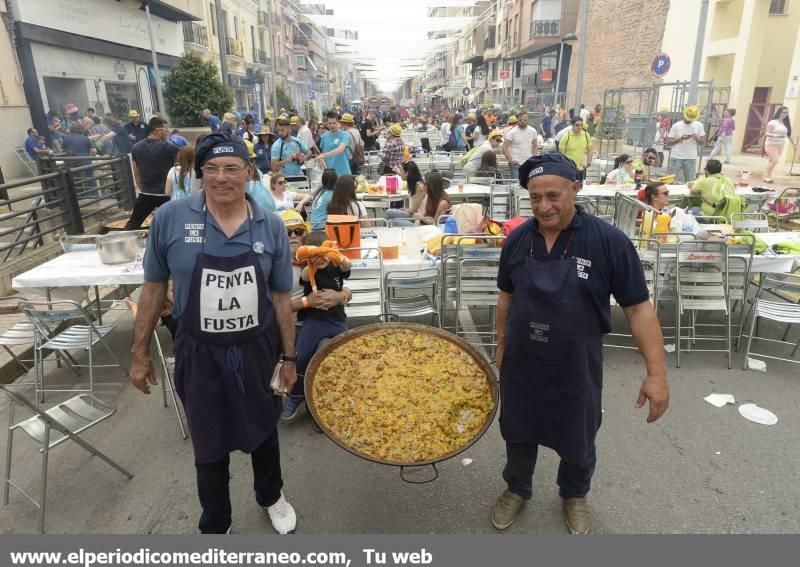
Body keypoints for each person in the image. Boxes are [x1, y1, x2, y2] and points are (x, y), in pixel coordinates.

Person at [491, 152, 669, 535]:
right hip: (522, 363)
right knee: (518, 430)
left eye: (553, 195)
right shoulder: (518, 240)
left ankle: (574, 494)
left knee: (578, 433)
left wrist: (657, 374)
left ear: (576, 188)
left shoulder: (609, 242)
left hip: (576, 363)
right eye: (535, 197)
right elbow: (506, 297)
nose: (543, 206)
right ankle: (516, 488)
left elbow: (638, 309)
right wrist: (501, 344)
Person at [130, 132, 298, 535]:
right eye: (211, 169)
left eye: (231, 168)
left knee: (263, 430)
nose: (221, 177)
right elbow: (153, 290)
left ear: (248, 172)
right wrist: (139, 353)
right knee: (208, 440)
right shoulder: (171, 219)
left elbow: (281, 299)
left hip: (257, 348)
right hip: (199, 351)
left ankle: (271, 496)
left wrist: (290, 359)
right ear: (199, 173)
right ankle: (216, 520)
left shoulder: (269, 225)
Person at [282, 230, 352, 421]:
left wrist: (335, 256)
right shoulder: (303, 269)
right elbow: (304, 276)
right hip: (313, 321)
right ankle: (296, 396)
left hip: (337, 319)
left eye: (298, 232)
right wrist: (311, 260)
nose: (320, 260)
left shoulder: (336, 265)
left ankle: (342, 398)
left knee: (346, 354)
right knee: (301, 356)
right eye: (314, 256)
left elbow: (347, 269)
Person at [124, 116, 180, 229]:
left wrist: (143, 188)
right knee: (175, 225)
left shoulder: (136, 147)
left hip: (146, 194)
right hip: (166, 195)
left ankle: (125, 245)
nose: (167, 133)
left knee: (132, 224)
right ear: (158, 130)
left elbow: (136, 172)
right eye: (166, 130)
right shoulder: (170, 148)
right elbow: (180, 168)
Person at [384, 170, 451, 226]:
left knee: (394, 222)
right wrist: (418, 217)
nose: (422, 185)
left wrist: (420, 218)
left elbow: (436, 224)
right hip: (421, 220)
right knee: (389, 213)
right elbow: (424, 211)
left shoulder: (442, 203)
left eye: (425, 183)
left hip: (428, 227)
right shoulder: (431, 194)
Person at [666, 105, 705, 184]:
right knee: (671, 181)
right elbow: (668, 142)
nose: (689, 120)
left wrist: (696, 138)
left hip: (691, 157)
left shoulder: (699, 125)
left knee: (690, 182)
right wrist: (679, 139)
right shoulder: (676, 126)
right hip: (676, 156)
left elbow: (703, 141)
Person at [764, 106, 796, 183]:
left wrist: (794, 143)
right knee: (775, 160)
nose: (786, 114)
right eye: (784, 112)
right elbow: (766, 133)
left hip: (780, 145)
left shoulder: (786, 123)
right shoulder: (772, 122)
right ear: (779, 113)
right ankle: (765, 176)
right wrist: (775, 135)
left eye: (787, 112)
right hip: (771, 144)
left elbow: (789, 135)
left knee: (772, 160)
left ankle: (768, 176)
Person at [503, 112, 539, 180]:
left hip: (528, 162)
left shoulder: (533, 131)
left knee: (527, 184)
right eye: (520, 120)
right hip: (515, 163)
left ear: (528, 120)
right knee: (515, 184)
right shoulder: (512, 132)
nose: (523, 122)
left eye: (525, 120)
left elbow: (535, 145)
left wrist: (533, 158)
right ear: (517, 120)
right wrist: (511, 160)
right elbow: (504, 148)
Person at [316, 111, 351, 176]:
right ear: (326, 123)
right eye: (330, 123)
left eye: (334, 123)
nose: (332, 125)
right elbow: (323, 154)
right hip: (330, 174)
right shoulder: (324, 136)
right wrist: (322, 161)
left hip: (344, 172)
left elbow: (340, 149)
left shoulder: (344, 135)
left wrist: (323, 155)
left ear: (338, 122)